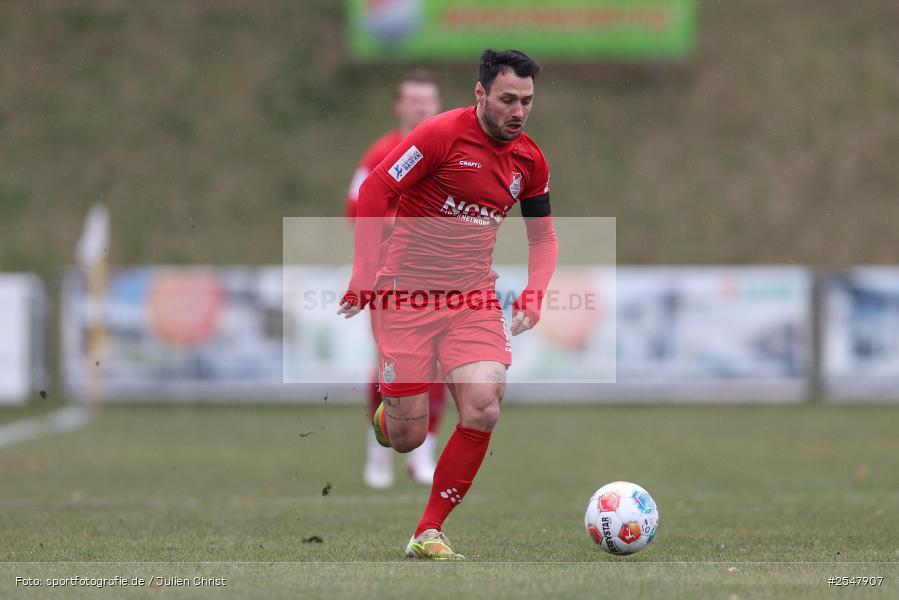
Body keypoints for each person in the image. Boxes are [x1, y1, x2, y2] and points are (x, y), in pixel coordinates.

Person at [339, 49, 558, 560]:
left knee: (483, 407)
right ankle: (390, 420)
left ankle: (428, 531)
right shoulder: (441, 135)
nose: (518, 111)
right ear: (481, 94)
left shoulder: (530, 160)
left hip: (472, 297)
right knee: (408, 437)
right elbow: (375, 189)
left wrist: (534, 294)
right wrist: (364, 274)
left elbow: (543, 238)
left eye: (526, 101)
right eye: (507, 99)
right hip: (407, 296)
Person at [345, 69, 449, 489]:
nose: (421, 106)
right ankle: (378, 451)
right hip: (391, 277)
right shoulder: (381, 153)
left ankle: (423, 452)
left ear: (438, 104)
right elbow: (356, 209)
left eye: (428, 99)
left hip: (441, 275)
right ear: (399, 105)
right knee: (390, 367)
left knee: (439, 365)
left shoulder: (450, 152)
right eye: (413, 99)